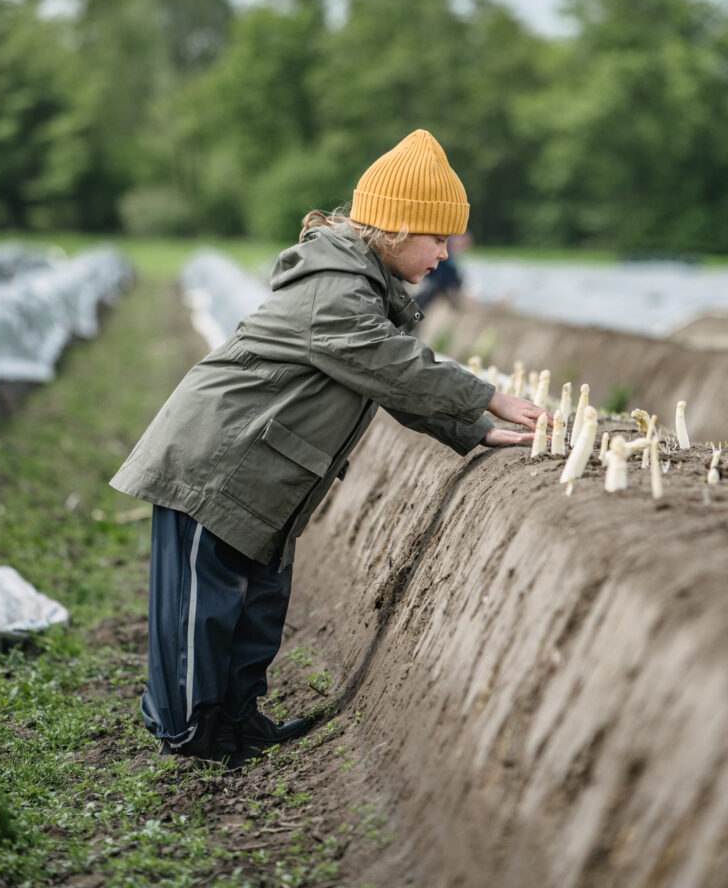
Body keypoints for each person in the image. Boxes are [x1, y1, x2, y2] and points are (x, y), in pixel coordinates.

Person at [109, 129, 549, 765]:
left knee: (257, 601)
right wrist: (490, 397)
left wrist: (474, 429)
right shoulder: (335, 290)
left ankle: (237, 717)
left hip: (263, 472)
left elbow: (388, 381)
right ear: (396, 229)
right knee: (203, 608)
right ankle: (189, 730)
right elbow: (395, 366)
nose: (445, 254)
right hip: (216, 465)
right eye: (438, 239)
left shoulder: (362, 286)